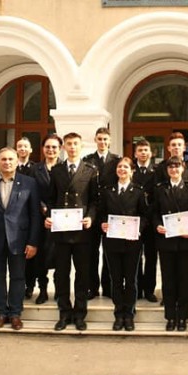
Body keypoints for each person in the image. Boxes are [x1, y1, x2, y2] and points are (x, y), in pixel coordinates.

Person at [0, 147, 41, 331]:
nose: (7, 162)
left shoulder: (29, 183)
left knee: (19, 277)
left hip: (19, 239)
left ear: (17, 161)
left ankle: (16, 314)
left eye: (11, 159)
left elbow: (35, 215)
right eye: (3, 159)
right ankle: (1, 313)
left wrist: (33, 242)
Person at [46, 132, 99, 331]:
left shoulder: (90, 170)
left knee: (82, 274)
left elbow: (95, 200)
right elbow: (51, 198)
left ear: (81, 146)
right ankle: (64, 312)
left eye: (76, 144)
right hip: (61, 230)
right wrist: (50, 216)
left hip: (82, 231)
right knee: (62, 274)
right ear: (64, 147)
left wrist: (91, 217)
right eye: (68, 144)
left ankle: (80, 314)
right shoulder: (57, 170)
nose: (72, 147)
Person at [98, 157, 149, 331]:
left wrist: (138, 228)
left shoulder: (138, 191)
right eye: (119, 167)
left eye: (126, 167)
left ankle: (130, 313)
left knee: (131, 279)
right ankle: (118, 313)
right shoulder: (108, 191)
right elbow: (101, 213)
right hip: (112, 241)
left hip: (132, 242)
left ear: (132, 170)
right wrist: (103, 223)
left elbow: (145, 215)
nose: (122, 169)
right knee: (116, 279)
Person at [153, 156, 188, 332]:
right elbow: (154, 212)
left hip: (185, 241)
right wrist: (157, 225)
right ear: (167, 170)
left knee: (184, 280)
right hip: (167, 241)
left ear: (183, 168)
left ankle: (183, 317)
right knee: (168, 280)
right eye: (170, 167)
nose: (174, 170)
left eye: (177, 167)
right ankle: (170, 316)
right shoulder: (160, 189)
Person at [83, 127, 120, 299]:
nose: (103, 142)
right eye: (100, 139)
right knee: (91, 252)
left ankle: (108, 286)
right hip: (91, 211)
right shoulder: (88, 160)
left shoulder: (116, 160)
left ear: (110, 141)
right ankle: (92, 287)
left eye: (105, 139)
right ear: (95, 140)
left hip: (109, 211)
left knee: (109, 251)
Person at [28, 134, 62, 304]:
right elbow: (30, 192)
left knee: (60, 256)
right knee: (40, 257)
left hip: (61, 220)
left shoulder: (64, 168)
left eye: (54, 147)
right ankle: (42, 289)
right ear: (43, 149)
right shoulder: (34, 169)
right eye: (48, 147)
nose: (51, 150)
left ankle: (58, 289)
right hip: (40, 218)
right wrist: (41, 207)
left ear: (59, 149)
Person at [132, 139, 158, 303]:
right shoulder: (129, 170)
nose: (143, 153)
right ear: (135, 153)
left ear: (151, 153)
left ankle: (149, 289)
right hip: (133, 220)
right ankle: (137, 288)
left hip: (151, 220)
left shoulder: (157, 171)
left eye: (145, 150)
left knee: (151, 257)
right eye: (140, 150)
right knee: (135, 256)